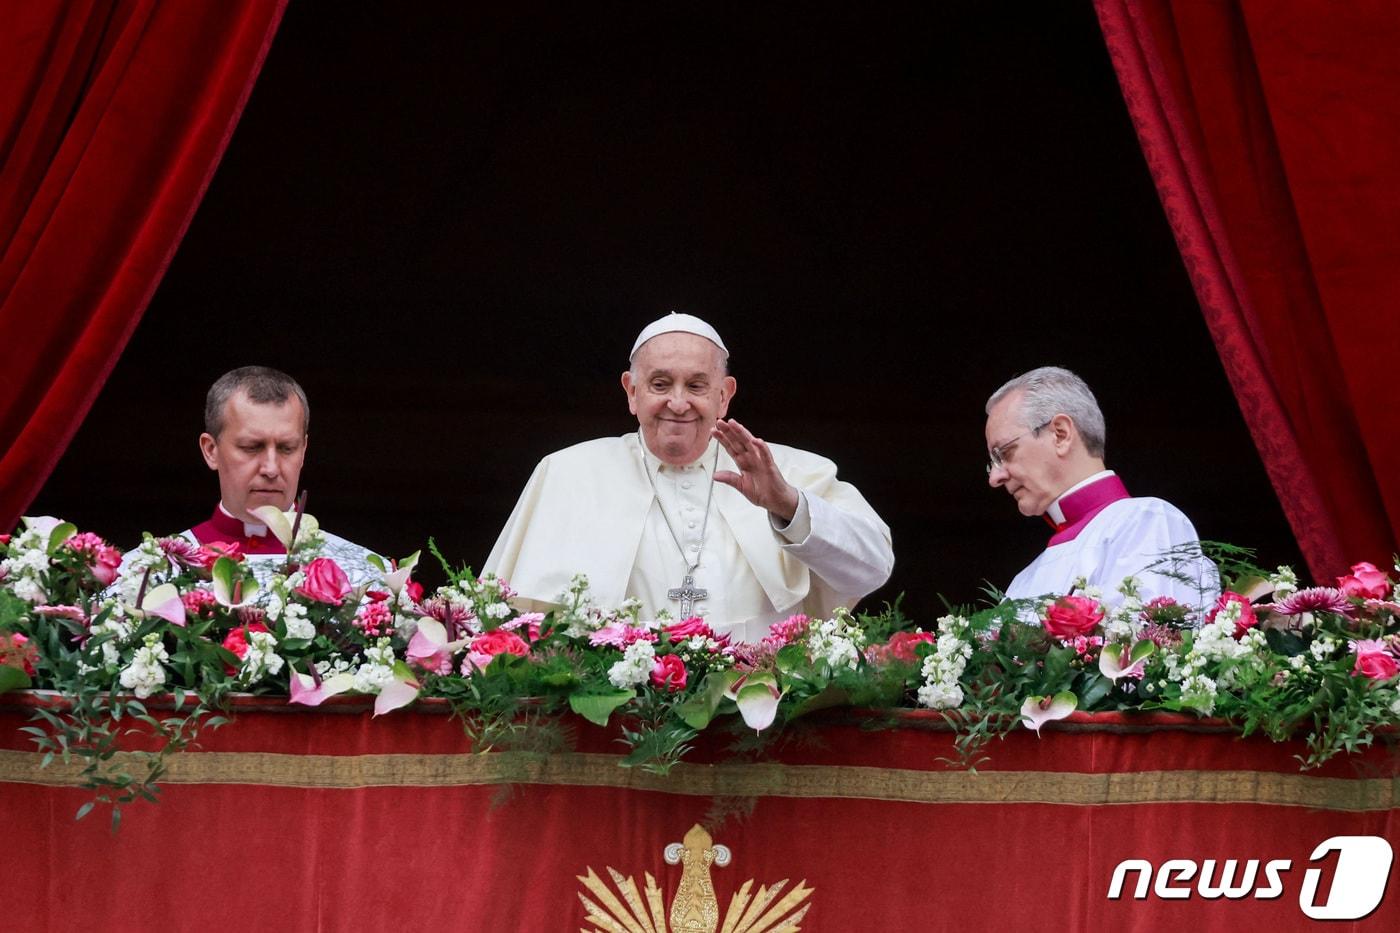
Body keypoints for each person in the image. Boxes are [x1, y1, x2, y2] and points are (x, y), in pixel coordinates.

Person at [484, 312, 894, 642]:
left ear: (724, 395)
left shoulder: (789, 472)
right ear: (631, 391)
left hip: (763, 723)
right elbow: (503, 621)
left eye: (696, 385)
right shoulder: (568, 473)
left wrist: (787, 505)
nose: (677, 403)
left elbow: (873, 570)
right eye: (660, 383)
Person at [984, 366, 1218, 610]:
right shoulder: (1022, 582)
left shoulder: (1147, 520)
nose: (995, 477)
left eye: (1004, 453)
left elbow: (1158, 644)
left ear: (1060, 435)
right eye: (993, 462)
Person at [171, 366, 378, 585]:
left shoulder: (365, 576)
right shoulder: (149, 575)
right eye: (251, 447)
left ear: (303, 450)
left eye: (287, 448)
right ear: (211, 450)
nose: (271, 469)